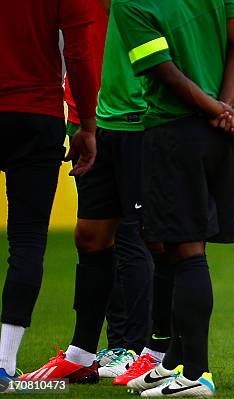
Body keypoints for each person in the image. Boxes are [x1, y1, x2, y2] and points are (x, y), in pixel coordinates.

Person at [113, 0, 234, 397]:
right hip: (221, 138)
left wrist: (218, 109)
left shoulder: (131, 4)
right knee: (180, 252)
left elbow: (167, 74)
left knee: (185, 252)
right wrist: (227, 109)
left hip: (176, 133)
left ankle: (196, 373)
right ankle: (173, 363)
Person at [0, 0, 98, 381]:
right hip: (35, 114)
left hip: (32, 110)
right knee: (27, 242)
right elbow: (79, 53)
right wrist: (87, 123)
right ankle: (4, 366)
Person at [63, 0, 157, 382]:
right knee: (95, 237)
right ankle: (114, 344)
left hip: (131, 114)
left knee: (132, 234)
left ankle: (135, 348)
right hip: (88, 111)